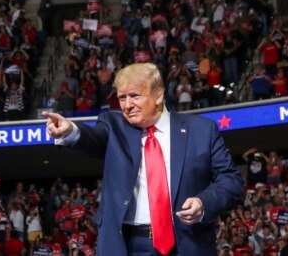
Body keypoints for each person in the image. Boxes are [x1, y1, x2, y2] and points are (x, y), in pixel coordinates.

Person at [44, 63, 243, 256]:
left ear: (158, 95)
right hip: (128, 246)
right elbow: (93, 138)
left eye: (134, 96)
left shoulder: (202, 130)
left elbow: (231, 180)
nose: (127, 105)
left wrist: (203, 202)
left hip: (187, 242)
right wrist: (71, 131)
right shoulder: (113, 126)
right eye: (122, 97)